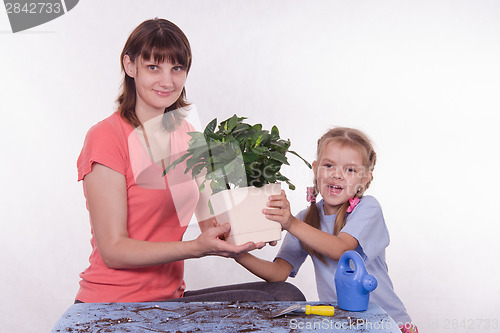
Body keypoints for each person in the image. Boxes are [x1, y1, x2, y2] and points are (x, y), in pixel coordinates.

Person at [75, 18, 305, 304]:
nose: (167, 81)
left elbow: (213, 223)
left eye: (177, 68)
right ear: (130, 66)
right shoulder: (106, 137)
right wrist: (195, 248)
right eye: (153, 67)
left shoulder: (187, 135)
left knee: (284, 295)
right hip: (113, 302)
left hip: (167, 299)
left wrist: (257, 222)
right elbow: (113, 249)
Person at [235, 127, 418, 333]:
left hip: (388, 323)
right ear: (315, 169)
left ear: (365, 178)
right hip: (344, 325)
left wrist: (291, 223)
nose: (337, 175)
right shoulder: (305, 219)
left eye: (350, 170)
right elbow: (278, 274)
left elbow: (341, 249)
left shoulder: (368, 208)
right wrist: (238, 253)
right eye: (329, 165)